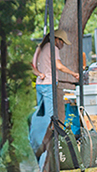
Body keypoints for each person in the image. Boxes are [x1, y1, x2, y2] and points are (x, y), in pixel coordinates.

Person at [29, 29, 79, 158]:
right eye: (62, 42)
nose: (62, 46)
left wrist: (40, 74)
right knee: (50, 118)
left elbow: (32, 65)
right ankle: (42, 147)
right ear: (57, 39)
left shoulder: (40, 47)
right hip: (48, 85)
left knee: (40, 115)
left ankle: (37, 143)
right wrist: (73, 74)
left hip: (40, 84)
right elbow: (59, 66)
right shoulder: (53, 48)